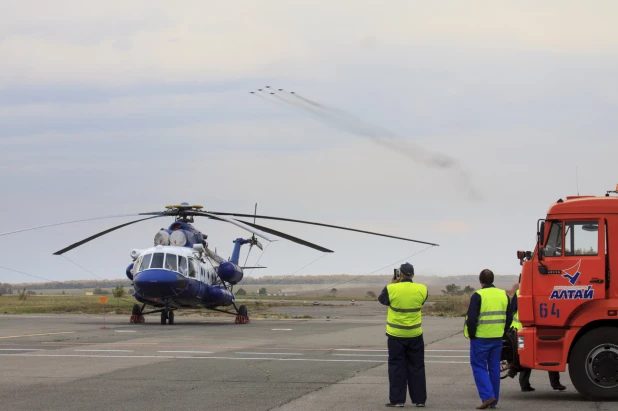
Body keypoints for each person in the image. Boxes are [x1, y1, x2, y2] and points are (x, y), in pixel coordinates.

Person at [378, 262, 428, 408]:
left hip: (396, 335)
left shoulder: (391, 288)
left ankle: (397, 400)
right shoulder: (422, 289)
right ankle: (419, 400)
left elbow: (382, 300)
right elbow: (422, 301)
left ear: (399, 274)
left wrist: (393, 283)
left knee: (396, 366)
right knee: (417, 366)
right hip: (415, 334)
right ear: (412, 274)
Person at [464, 269, 512, 409]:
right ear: (492, 280)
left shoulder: (478, 295)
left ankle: (487, 396)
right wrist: (503, 332)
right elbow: (509, 317)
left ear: (481, 281)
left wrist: (472, 334)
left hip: (481, 338)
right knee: (494, 368)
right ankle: (494, 400)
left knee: (479, 366)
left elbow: (471, 319)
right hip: (497, 338)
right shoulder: (503, 294)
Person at [511, 287, 566, 392]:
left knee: (527, 356)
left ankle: (524, 384)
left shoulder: (519, 292)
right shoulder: (544, 290)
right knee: (549, 354)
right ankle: (555, 383)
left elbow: (512, 311)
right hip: (528, 329)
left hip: (524, 329)